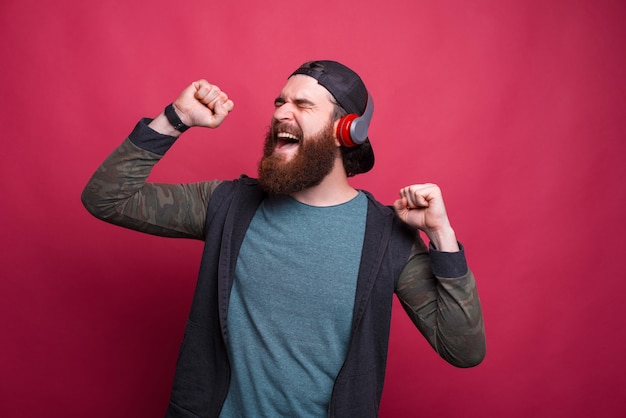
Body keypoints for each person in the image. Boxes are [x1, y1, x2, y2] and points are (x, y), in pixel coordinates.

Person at [81, 60, 485, 418]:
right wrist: (175, 119)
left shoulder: (386, 237)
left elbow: (463, 350)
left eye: (302, 105)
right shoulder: (227, 205)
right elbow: (107, 198)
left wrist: (441, 236)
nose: (280, 114)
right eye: (280, 102)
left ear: (347, 130)